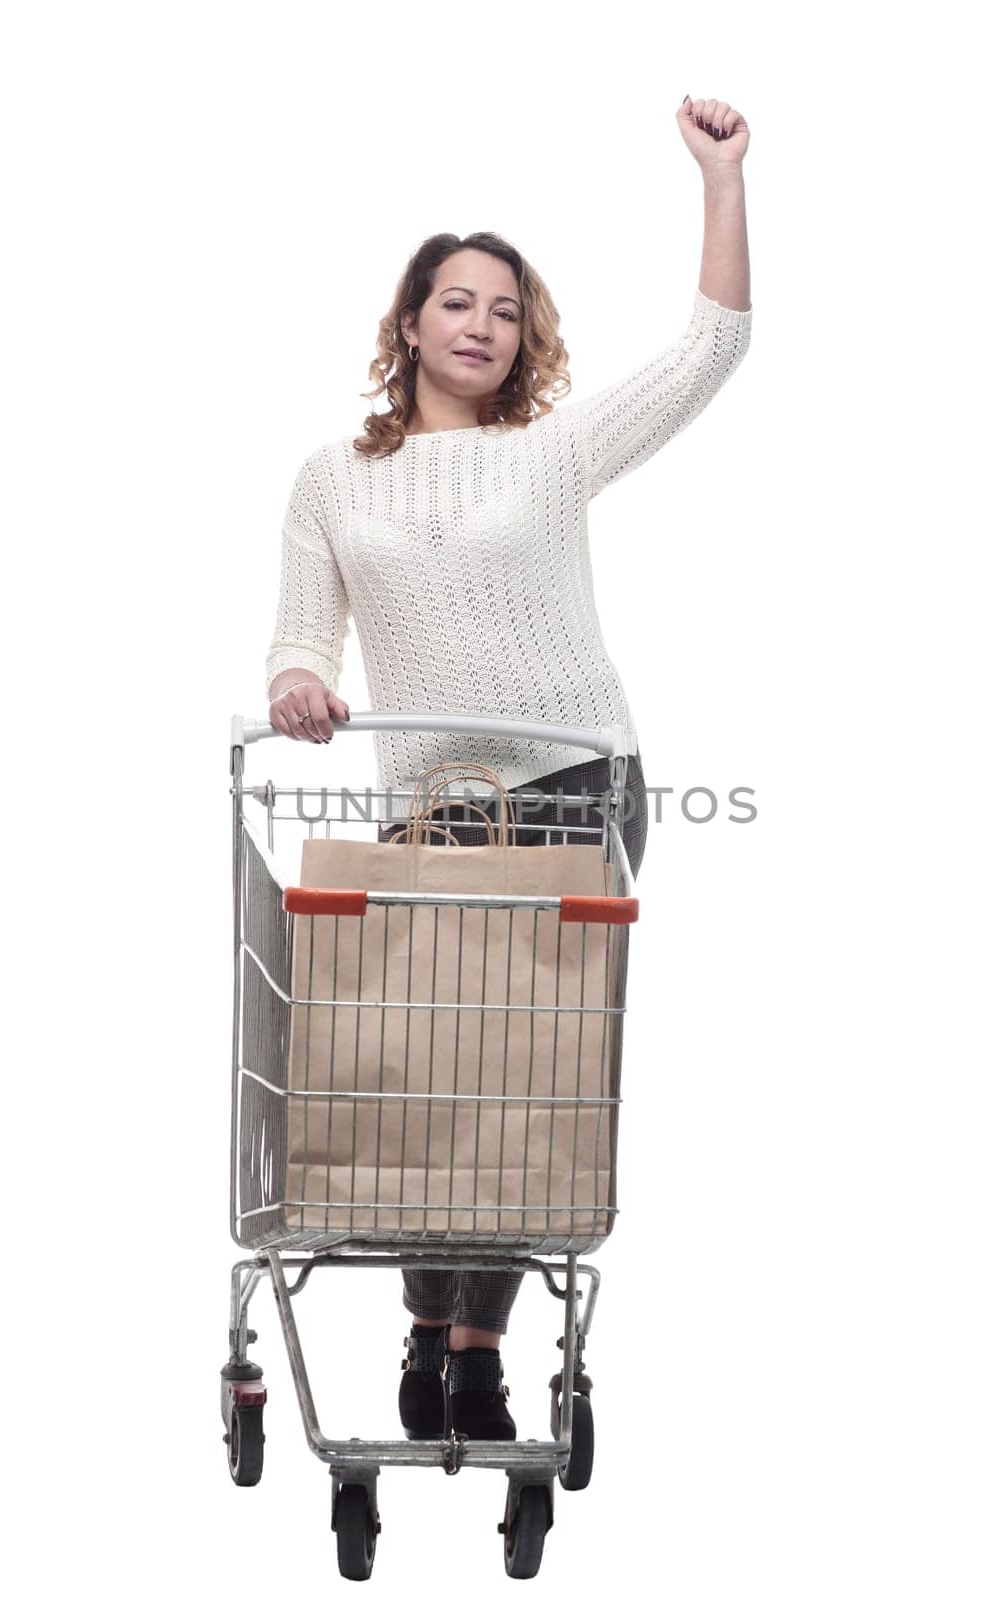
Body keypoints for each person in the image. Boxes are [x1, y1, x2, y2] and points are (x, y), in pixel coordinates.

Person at [264, 94, 753, 1441]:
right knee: (432, 1069)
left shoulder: (554, 451)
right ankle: (430, 1325)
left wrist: (720, 180)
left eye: (506, 310)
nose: (482, 327)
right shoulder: (330, 478)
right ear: (409, 323)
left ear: (522, 338)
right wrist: (299, 683)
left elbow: (711, 351)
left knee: (519, 1071)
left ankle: (473, 1350)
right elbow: (303, 634)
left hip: (575, 784)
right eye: (458, 303)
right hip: (424, 808)